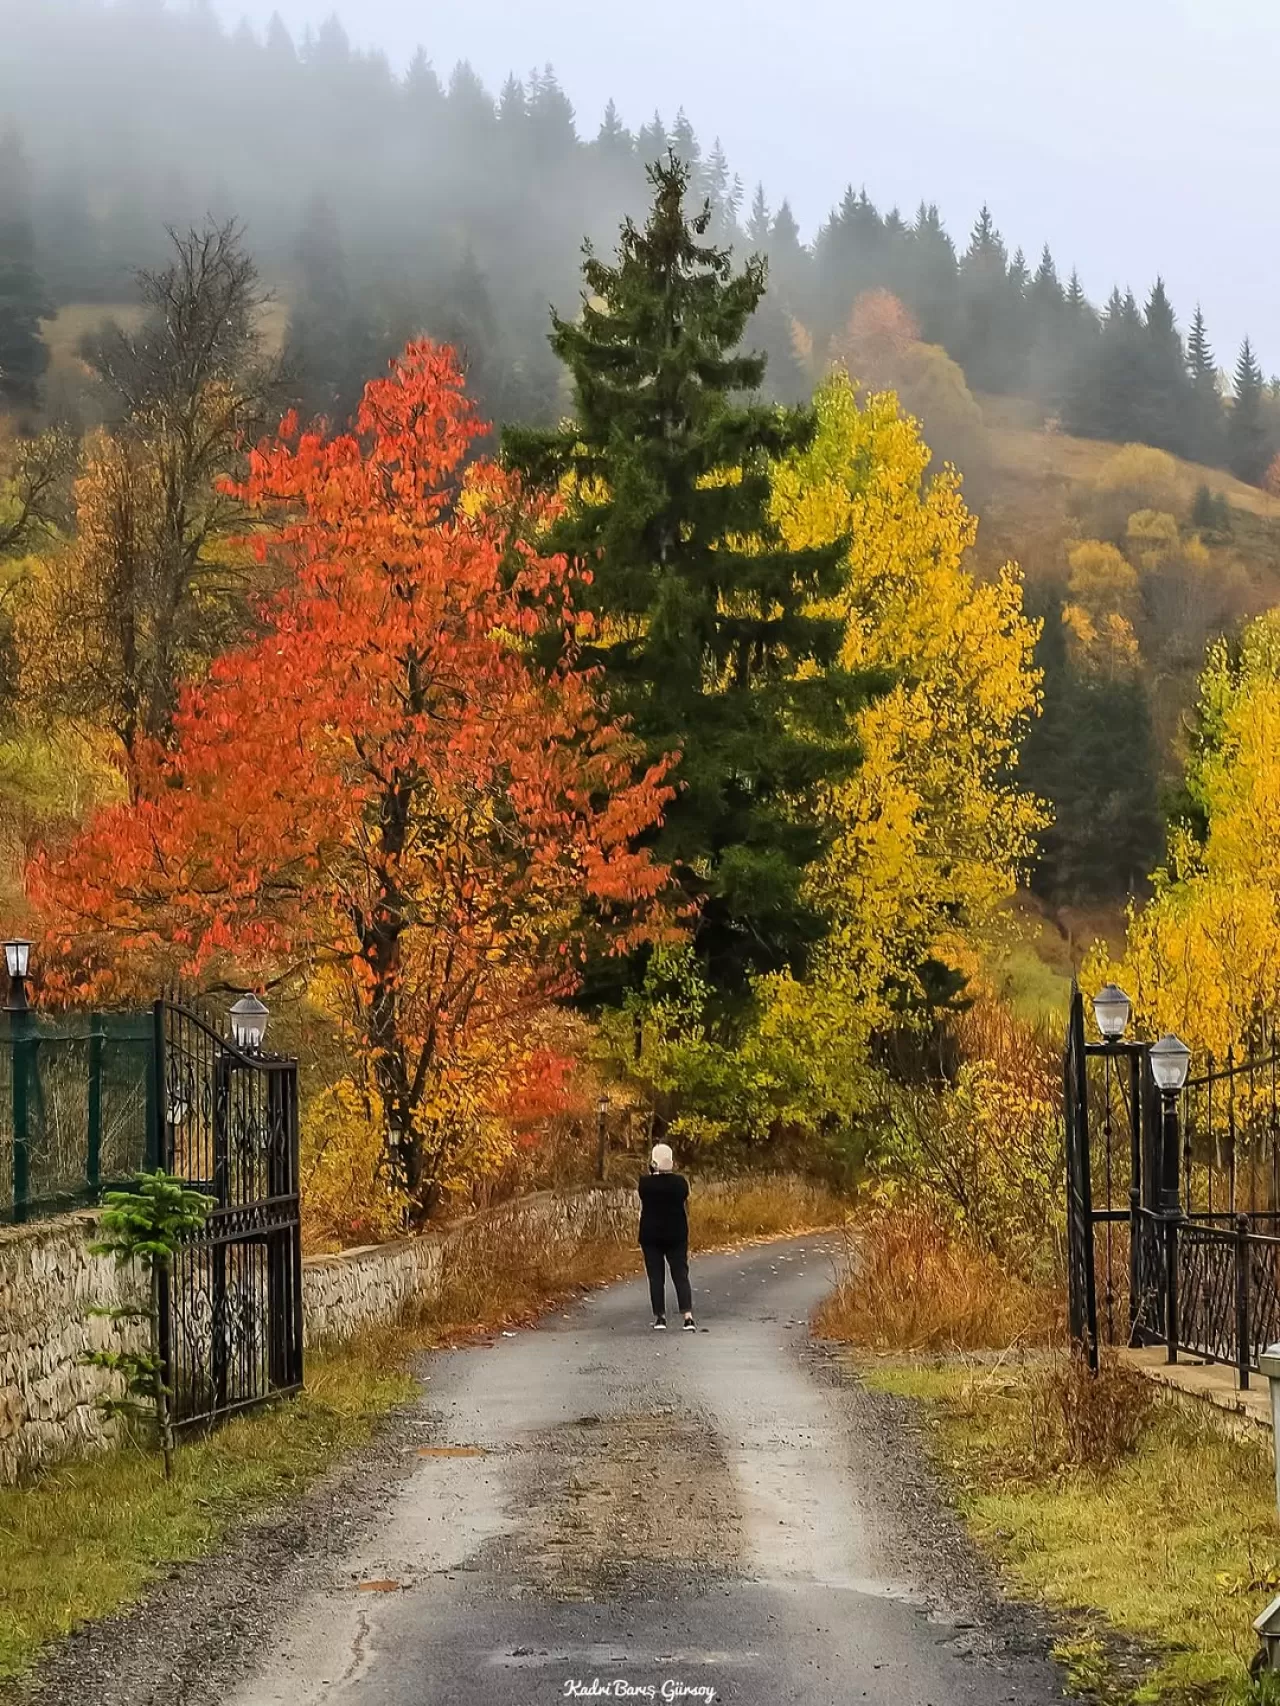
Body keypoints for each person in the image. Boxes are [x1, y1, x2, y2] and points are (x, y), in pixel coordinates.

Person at [638, 1142, 695, 1331]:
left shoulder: (645, 1184)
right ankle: (687, 1316)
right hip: (676, 1234)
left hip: (651, 1236)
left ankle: (660, 1317)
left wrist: (654, 1171)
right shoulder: (680, 1183)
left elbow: (645, 1195)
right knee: (680, 1274)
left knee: (656, 1277)